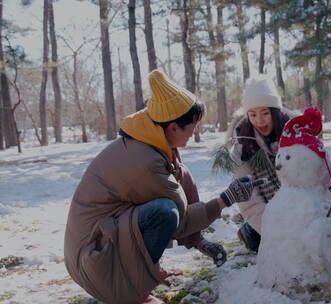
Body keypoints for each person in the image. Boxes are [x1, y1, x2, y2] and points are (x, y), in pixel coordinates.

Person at [64, 70, 263, 304]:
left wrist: (197, 240)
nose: (194, 133)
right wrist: (225, 199)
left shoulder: (150, 138)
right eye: (192, 127)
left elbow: (181, 185)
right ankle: (136, 295)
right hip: (95, 263)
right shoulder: (145, 162)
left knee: (178, 180)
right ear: (172, 128)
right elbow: (179, 220)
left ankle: (146, 272)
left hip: (101, 245)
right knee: (165, 212)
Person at [225, 75, 295, 252]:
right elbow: (250, 202)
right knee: (260, 243)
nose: (259, 121)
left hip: (297, 203)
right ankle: (248, 232)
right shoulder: (242, 147)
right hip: (267, 212)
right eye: (253, 114)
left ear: (275, 112)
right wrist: (277, 234)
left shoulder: (295, 133)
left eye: (265, 113)